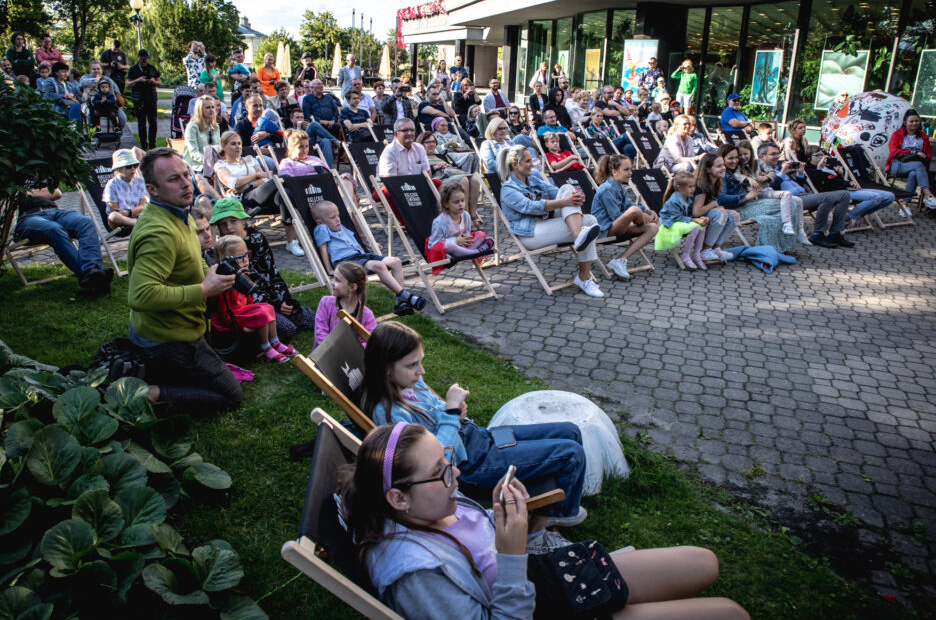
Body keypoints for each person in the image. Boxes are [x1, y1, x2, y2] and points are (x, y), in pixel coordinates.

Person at [342, 421, 749, 620]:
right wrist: (513, 553)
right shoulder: (416, 574)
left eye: (450, 461)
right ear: (398, 497)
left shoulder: (432, 506)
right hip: (543, 608)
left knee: (704, 561)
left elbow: (478, 532)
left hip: (549, 574)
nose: (457, 475)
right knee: (730, 614)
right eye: (443, 471)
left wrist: (498, 514)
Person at [358, 321, 588, 528]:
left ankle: (558, 498)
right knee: (571, 453)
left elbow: (437, 410)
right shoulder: (389, 414)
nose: (421, 371)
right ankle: (557, 514)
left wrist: (455, 412)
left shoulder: (408, 382)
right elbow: (437, 460)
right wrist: (451, 413)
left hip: (480, 437)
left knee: (570, 431)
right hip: (471, 464)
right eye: (412, 365)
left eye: (421, 361)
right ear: (386, 368)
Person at [126, 148, 242, 415]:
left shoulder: (181, 213)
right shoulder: (158, 232)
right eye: (172, 179)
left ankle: (162, 375)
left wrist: (211, 273)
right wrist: (203, 289)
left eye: (185, 175)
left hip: (184, 328)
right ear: (152, 190)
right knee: (231, 396)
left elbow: (195, 259)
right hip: (166, 339)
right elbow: (140, 296)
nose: (185, 184)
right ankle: (151, 393)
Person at [498, 145, 603, 297]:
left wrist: (575, 197)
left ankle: (583, 269)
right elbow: (531, 207)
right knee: (588, 223)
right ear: (515, 164)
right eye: (528, 161)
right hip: (530, 233)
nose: (532, 164)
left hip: (545, 223)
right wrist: (565, 202)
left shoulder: (533, 179)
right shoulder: (508, 189)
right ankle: (583, 274)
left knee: (572, 195)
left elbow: (557, 193)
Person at [211, 198, 315, 340]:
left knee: (310, 319)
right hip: (251, 308)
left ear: (243, 221)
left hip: (271, 298)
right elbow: (243, 293)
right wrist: (276, 306)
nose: (229, 227)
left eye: (233, 221)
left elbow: (272, 273)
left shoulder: (256, 238)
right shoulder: (222, 249)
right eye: (223, 224)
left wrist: (284, 300)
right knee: (287, 330)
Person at [312, 200, 426, 315]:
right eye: (332, 217)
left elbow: (353, 240)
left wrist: (369, 243)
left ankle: (401, 303)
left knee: (396, 261)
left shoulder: (339, 227)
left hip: (361, 256)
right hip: (346, 261)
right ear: (320, 222)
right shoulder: (322, 229)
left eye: (338, 215)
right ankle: (408, 297)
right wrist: (329, 269)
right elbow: (323, 249)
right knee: (378, 265)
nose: (338, 219)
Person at [208, 235, 296, 363]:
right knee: (261, 313)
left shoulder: (242, 275)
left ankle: (275, 342)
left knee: (268, 308)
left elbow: (249, 300)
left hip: (243, 312)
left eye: (246, 255)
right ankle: (266, 347)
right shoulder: (222, 282)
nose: (245, 261)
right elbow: (225, 313)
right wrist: (242, 327)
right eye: (239, 258)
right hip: (233, 318)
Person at [15, 182, 111, 294]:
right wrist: (37, 192)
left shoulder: (39, 174)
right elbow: (15, 195)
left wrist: (27, 193)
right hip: (28, 217)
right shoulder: (16, 176)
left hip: (54, 212)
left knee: (86, 222)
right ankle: (93, 274)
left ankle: (92, 271)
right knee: (54, 229)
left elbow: (56, 193)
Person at [717, 143, 801, 253]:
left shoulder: (736, 170)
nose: (735, 160)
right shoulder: (722, 175)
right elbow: (721, 200)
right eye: (730, 158)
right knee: (789, 205)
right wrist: (747, 196)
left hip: (748, 204)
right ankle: (768, 248)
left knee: (773, 216)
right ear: (722, 159)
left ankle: (771, 248)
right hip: (737, 209)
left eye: (736, 157)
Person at [768, 145, 853, 248]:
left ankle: (835, 232)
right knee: (826, 198)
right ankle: (818, 234)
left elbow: (798, 185)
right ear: (762, 156)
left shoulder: (781, 166)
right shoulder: (765, 171)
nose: (777, 157)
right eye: (773, 154)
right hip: (790, 199)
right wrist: (781, 173)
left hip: (803, 194)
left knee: (845, 195)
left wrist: (800, 173)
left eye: (777, 154)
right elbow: (770, 189)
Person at [591, 155, 659, 279]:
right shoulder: (607, 189)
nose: (630, 173)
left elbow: (628, 205)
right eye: (626, 170)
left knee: (653, 228)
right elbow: (616, 216)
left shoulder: (620, 188)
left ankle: (620, 260)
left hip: (617, 227)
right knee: (635, 211)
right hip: (604, 231)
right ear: (614, 171)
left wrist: (648, 212)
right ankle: (643, 221)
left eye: (630, 169)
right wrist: (640, 214)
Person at [805, 147, 896, 229]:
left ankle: (859, 214)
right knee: (876, 197)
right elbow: (822, 184)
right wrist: (819, 168)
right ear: (809, 157)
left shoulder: (829, 167)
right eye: (817, 155)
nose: (821, 157)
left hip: (847, 189)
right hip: (837, 193)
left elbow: (840, 182)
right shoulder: (810, 170)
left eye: (822, 155)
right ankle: (849, 216)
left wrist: (846, 179)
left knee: (890, 196)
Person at [313, 261, 376, 349]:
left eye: (337, 280)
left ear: (352, 287)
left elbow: (371, 342)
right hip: (325, 358)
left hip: (352, 360)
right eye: (333, 278)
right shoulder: (326, 303)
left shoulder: (367, 315)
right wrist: (337, 350)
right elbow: (320, 333)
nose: (332, 282)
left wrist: (349, 351)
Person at [656, 171, 709, 269]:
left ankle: (696, 255)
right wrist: (694, 220)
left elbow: (687, 213)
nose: (693, 189)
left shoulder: (688, 197)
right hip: (668, 224)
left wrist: (700, 218)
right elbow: (676, 217)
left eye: (694, 186)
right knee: (695, 227)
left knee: (702, 226)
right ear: (680, 188)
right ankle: (685, 255)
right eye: (690, 187)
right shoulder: (674, 200)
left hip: (679, 222)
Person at [693, 152, 740, 261]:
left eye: (723, 165)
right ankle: (705, 249)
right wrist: (714, 204)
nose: (723, 168)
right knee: (721, 213)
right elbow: (696, 211)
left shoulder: (717, 182)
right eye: (719, 166)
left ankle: (716, 247)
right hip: (691, 217)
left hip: (706, 214)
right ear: (708, 169)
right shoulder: (701, 185)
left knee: (734, 215)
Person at [428, 184, 493, 264]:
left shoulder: (465, 215)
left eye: (462, 200)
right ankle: (475, 253)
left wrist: (466, 237)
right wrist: (455, 241)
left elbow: (467, 231)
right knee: (448, 245)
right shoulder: (440, 222)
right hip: (446, 249)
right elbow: (435, 244)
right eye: (456, 202)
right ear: (446, 204)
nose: (461, 204)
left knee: (480, 234)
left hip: (461, 246)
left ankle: (465, 253)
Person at [885, 109, 936, 208]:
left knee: (914, 173)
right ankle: (928, 195)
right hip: (897, 165)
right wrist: (914, 152)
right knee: (918, 165)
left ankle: (904, 206)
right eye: (911, 121)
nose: (914, 123)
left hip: (916, 167)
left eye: (917, 121)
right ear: (905, 122)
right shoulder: (897, 135)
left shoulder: (923, 137)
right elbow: (894, 151)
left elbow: (928, 155)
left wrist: (925, 158)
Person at [183, 96, 222, 199]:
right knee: (217, 174)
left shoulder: (215, 126)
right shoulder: (192, 127)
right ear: (200, 109)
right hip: (197, 165)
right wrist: (209, 163)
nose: (211, 110)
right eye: (208, 107)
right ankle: (219, 200)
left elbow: (218, 148)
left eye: (213, 107)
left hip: (215, 163)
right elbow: (193, 153)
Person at [102, 148, 146, 229]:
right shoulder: (112, 184)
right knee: (114, 216)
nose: (133, 169)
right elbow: (115, 211)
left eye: (135, 165)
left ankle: (140, 224)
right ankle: (140, 225)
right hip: (120, 221)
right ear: (118, 168)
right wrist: (134, 213)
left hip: (137, 215)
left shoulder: (140, 181)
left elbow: (142, 206)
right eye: (128, 166)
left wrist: (128, 212)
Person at [126, 49, 161, 150]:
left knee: (153, 123)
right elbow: (128, 84)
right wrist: (138, 80)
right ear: (138, 58)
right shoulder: (133, 69)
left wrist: (153, 81)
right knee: (141, 124)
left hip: (151, 98)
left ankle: (152, 144)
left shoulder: (152, 68)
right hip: (139, 99)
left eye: (146, 59)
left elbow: (159, 83)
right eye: (142, 59)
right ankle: (143, 145)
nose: (144, 61)